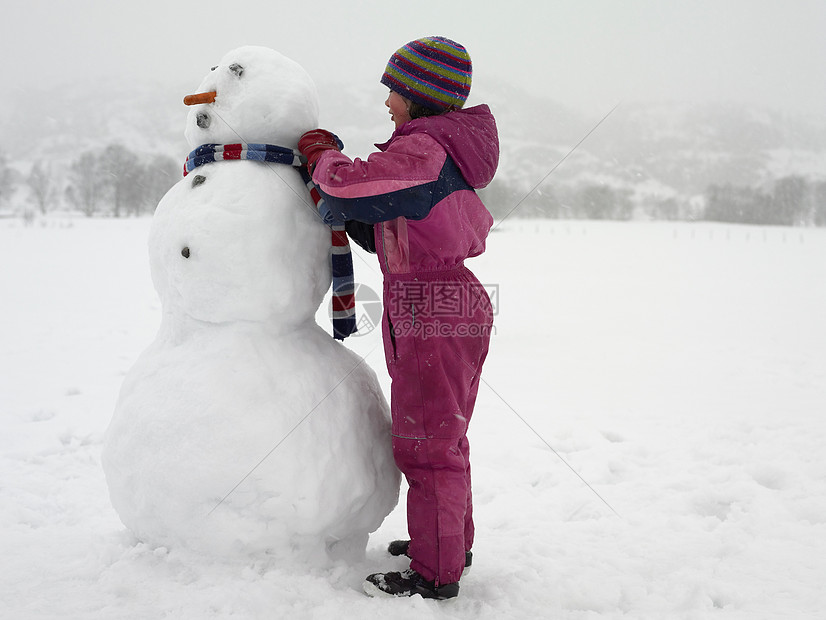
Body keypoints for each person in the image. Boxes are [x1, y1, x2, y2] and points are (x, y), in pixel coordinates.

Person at [298, 35, 499, 600]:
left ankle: (435, 575)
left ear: (419, 95)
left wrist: (320, 156)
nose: (387, 103)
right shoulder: (441, 152)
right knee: (442, 436)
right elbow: (389, 220)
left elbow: (347, 184)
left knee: (428, 442)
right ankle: (447, 543)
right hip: (437, 296)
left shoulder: (426, 149)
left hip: (431, 304)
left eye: (393, 91)